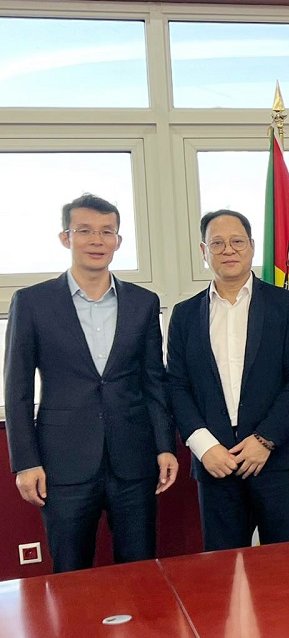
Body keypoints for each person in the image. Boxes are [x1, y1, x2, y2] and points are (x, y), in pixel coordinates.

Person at [5, 193, 178, 573]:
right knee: (70, 573)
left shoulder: (143, 303)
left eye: (106, 231)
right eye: (84, 231)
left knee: (140, 570)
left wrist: (165, 446)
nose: (96, 240)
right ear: (66, 237)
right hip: (62, 464)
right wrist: (25, 462)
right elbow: (17, 390)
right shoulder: (32, 302)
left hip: (134, 461)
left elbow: (153, 382)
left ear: (118, 240)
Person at [166, 209, 289, 551]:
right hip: (215, 463)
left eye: (237, 241)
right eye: (217, 243)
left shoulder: (286, 305)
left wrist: (265, 440)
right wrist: (204, 446)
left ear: (251, 246)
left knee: (285, 566)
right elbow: (176, 386)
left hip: (275, 460)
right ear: (203, 251)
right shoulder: (184, 315)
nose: (228, 250)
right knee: (223, 569)